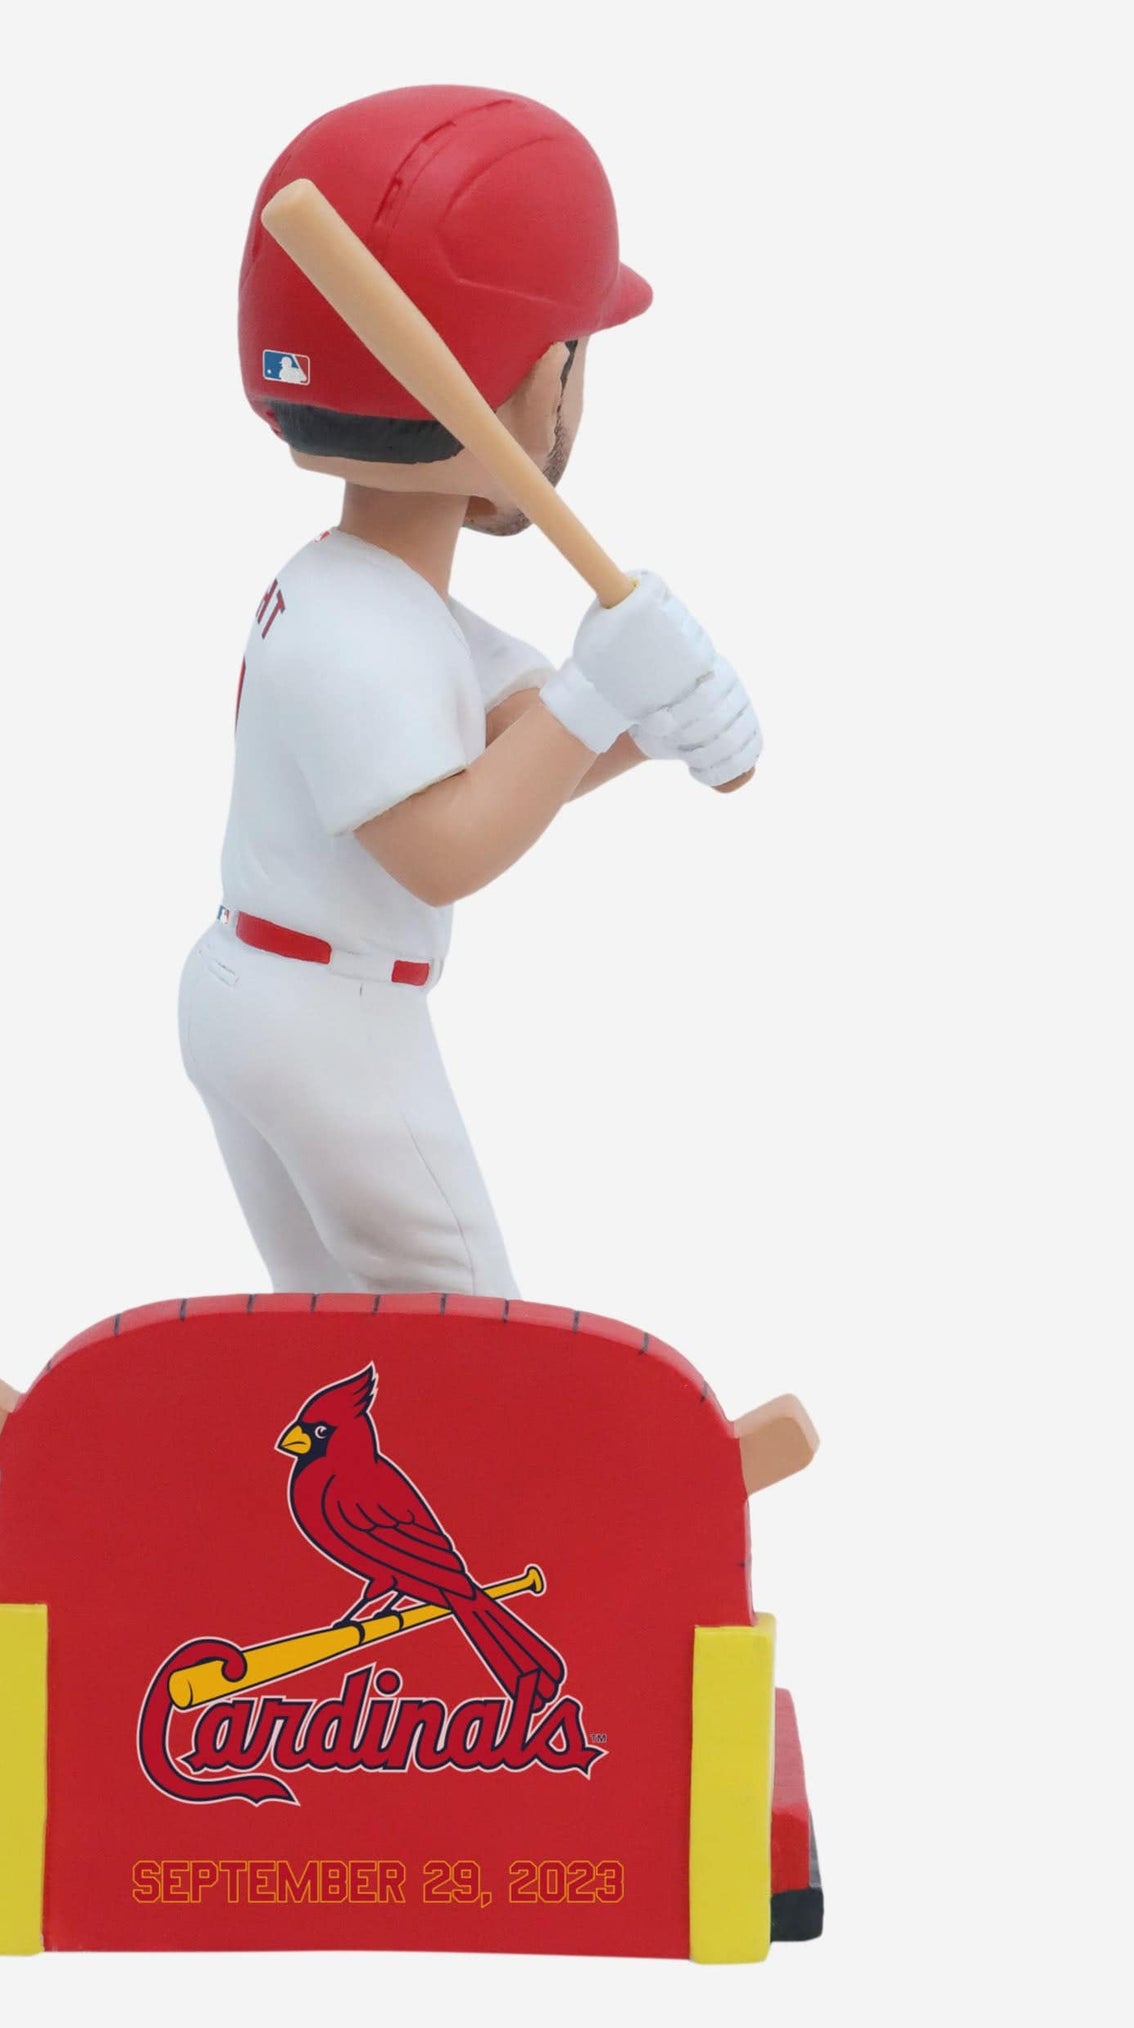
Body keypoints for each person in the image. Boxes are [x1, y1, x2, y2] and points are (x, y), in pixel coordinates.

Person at [180, 85, 762, 1299]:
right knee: (458, 1303)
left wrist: (646, 724)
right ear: (543, 379)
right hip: (327, 1020)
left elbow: (514, 740)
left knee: (338, 1307)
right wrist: (601, 689)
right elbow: (442, 848)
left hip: (274, 995)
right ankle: (459, 1433)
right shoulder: (358, 628)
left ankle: (302, 1414)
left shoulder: (364, 590)